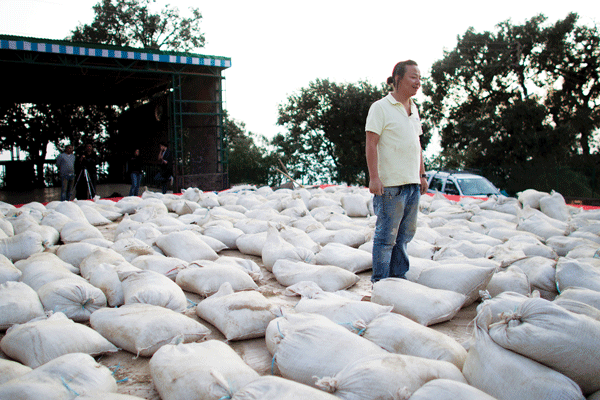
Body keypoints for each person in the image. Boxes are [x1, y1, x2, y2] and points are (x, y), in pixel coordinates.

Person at [365, 60, 428, 284]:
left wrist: (422, 174)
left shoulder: (414, 109)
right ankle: (380, 283)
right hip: (391, 185)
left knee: (404, 237)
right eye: (413, 77)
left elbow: (416, 144)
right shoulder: (380, 107)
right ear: (397, 79)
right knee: (386, 238)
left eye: (420, 78)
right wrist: (374, 178)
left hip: (412, 183)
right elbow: (371, 143)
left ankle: (397, 280)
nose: (418, 82)